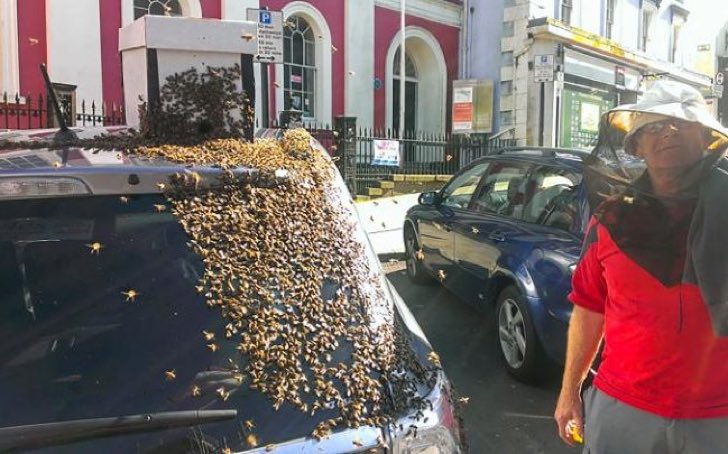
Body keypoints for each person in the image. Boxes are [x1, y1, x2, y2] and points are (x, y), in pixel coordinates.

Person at [554, 81, 728, 453]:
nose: (668, 131)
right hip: (623, 410)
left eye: (682, 123)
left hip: (719, 416)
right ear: (635, 146)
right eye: (653, 126)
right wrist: (570, 392)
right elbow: (589, 306)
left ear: (706, 138)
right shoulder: (611, 219)